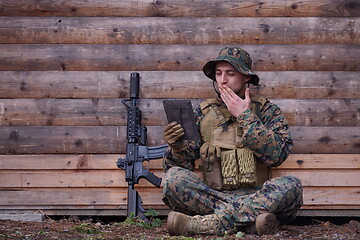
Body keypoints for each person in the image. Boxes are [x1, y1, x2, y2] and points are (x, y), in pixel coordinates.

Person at [161, 47, 303, 236]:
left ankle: (208, 224)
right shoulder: (203, 113)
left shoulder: (267, 111)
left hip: (258, 196)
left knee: (292, 185)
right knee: (173, 178)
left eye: (230, 73)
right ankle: (249, 223)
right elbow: (180, 165)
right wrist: (177, 147)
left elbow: (277, 156)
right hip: (214, 197)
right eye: (218, 74)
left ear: (246, 77)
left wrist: (245, 116)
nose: (223, 80)